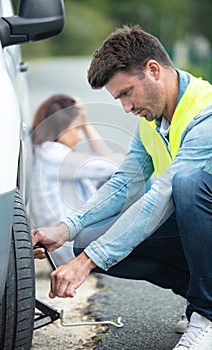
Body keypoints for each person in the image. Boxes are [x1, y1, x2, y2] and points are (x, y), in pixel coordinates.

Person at [31, 25, 212, 350]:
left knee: (186, 183)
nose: (126, 107)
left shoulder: (206, 112)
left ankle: (206, 314)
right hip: (200, 231)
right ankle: (198, 297)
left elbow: (163, 194)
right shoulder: (152, 120)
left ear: (153, 70)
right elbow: (124, 183)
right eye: (119, 99)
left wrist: (87, 263)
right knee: (87, 239)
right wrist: (66, 228)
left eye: (127, 93)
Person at [30, 93, 123, 265]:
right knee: (138, 184)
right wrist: (87, 125)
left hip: (67, 242)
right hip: (70, 245)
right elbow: (113, 166)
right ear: (61, 128)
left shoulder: (44, 151)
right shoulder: (53, 155)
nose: (79, 136)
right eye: (76, 128)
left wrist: (83, 123)